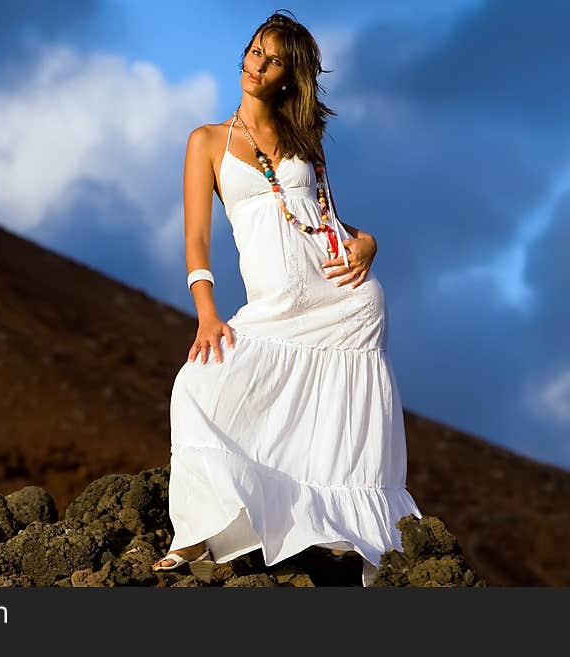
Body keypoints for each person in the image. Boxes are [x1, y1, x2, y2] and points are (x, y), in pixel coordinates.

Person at [151, 10, 423, 587]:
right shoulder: (206, 142)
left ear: (287, 76)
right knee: (197, 386)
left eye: (273, 60)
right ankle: (197, 536)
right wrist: (206, 313)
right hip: (273, 304)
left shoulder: (306, 139)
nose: (257, 64)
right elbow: (196, 238)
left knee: (336, 420)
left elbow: (327, 219)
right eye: (254, 51)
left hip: (344, 303)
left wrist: (368, 242)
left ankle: (341, 533)